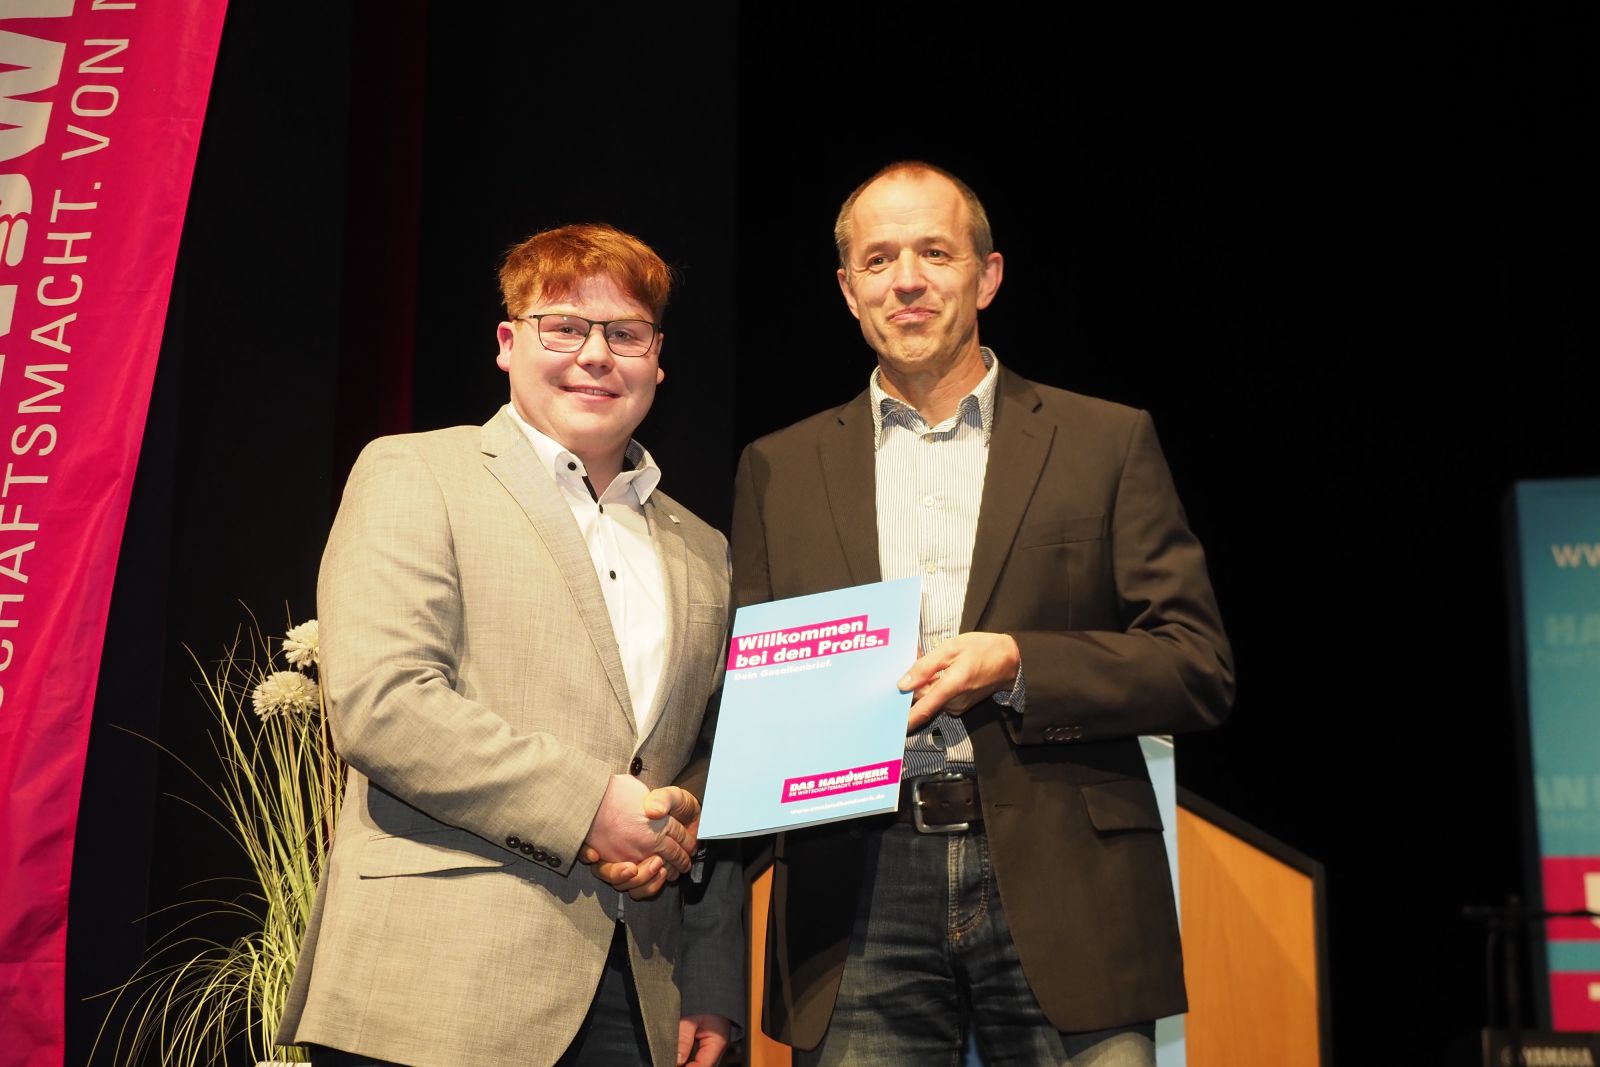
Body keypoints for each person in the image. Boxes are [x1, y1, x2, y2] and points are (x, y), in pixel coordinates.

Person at [730, 162, 1235, 1064]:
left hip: (1068, 879)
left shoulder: (1103, 441)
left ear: (987, 275)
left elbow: (1195, 665)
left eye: (934, 252)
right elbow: (752, 699)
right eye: (878, 260)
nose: (907, 280)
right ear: (848, 291)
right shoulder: (779, 467)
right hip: (857, 892)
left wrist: (1017, 662)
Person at [277, 223, 742, 1066]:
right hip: (435, 986)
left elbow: (708, 763)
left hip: (640, 994)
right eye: (563, 327)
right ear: (507, 343)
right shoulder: (416, 471)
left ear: (657, 359)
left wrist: (708, 976)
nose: (594, 355)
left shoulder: (703, 547)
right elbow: (383, 705)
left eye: (625, 333)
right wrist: (591, 806)